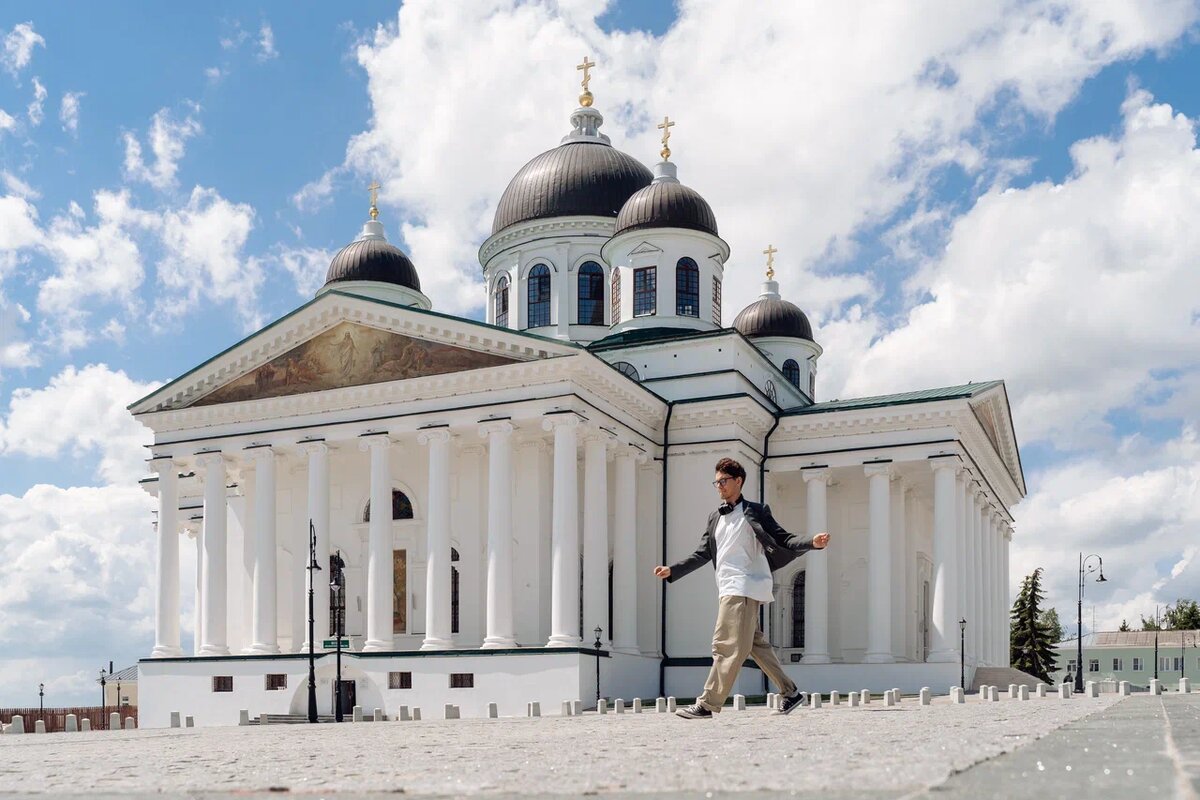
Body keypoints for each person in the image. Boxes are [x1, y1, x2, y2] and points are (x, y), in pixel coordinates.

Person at [654, 457, 831, 719]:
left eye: (723, 481)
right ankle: (790, 693)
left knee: (725, 644)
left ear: (738, 481)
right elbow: (703, 553)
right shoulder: (715, 517)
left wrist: (811, 543)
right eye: (716, 482)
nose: (719, 486)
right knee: (753, 644)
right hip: (726, 586)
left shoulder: (756, 511)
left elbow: (784, 538)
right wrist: (674, 570)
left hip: (745, 584)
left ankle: (707, 704)